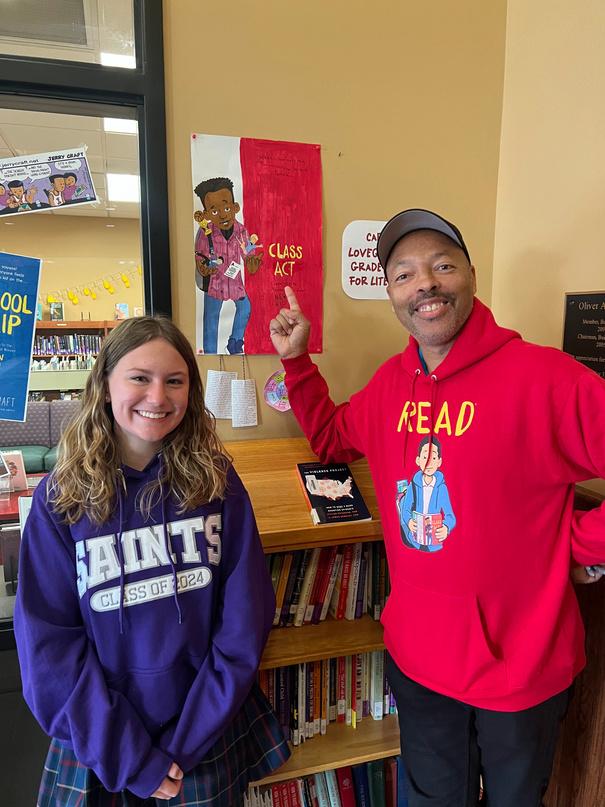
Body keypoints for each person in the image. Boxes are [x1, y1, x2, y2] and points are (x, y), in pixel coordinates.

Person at [270, 208, 605, 807]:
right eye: (403, 274)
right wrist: (297, 362)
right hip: (420, 661)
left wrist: (579, 547)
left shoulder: (548, 379)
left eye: (442, 266)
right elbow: (331, 438)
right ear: (392, 294)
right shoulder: (388, 385)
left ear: (470, 275)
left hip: (521, 669)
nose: (424, 283)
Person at [15, 316, 289, 805]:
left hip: (202, 738)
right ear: (104, 385)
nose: (157, 397)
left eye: (174, 381)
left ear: (191, 391)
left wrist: (183, 745)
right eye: (139, 377)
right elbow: (48, 649)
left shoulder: (217, 483)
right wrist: (129, 756)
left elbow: (244, 622)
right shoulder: (60, 498)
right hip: (101, 745)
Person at [193, 177, 262, 355]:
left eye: (226, 208)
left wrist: (251, 262)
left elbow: (248, 253)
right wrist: (202, 266)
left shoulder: (241, 231)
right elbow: (199, 254)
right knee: (211, 320)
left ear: (235, 207)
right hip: (215, 285)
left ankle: (235, 342)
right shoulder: (205, 232)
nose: (223, 215)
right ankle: (210, 353)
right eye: (215, 211)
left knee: (245, 308)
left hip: (235, 284)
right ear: (207, 214)